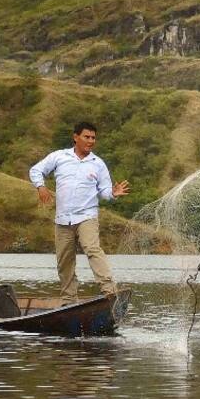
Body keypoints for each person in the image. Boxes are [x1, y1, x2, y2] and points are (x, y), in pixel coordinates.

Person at [29, 121, 130, 305]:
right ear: (76, 137)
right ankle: (69, 300)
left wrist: (113, 194)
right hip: (63, 219)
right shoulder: (59, 156)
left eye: (93, 138)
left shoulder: (98, 164)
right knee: (64, 261)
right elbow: (36, 170)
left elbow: (104, 191)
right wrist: (41, 187)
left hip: (87, 216)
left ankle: (109, 291)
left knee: (92, 249)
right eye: (87, 137)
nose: (90, 141)